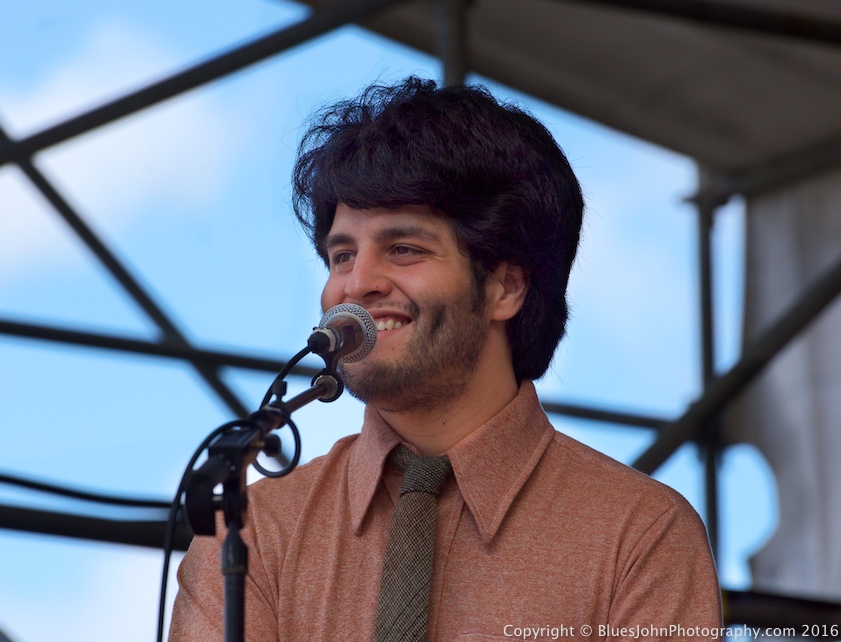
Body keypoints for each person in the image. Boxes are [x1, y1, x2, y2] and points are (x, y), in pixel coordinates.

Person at [170, 77, 721, 641]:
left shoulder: (639, 534)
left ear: (506, 287)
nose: (356, 284)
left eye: (403, 248)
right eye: (341, 255)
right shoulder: (254, 533)